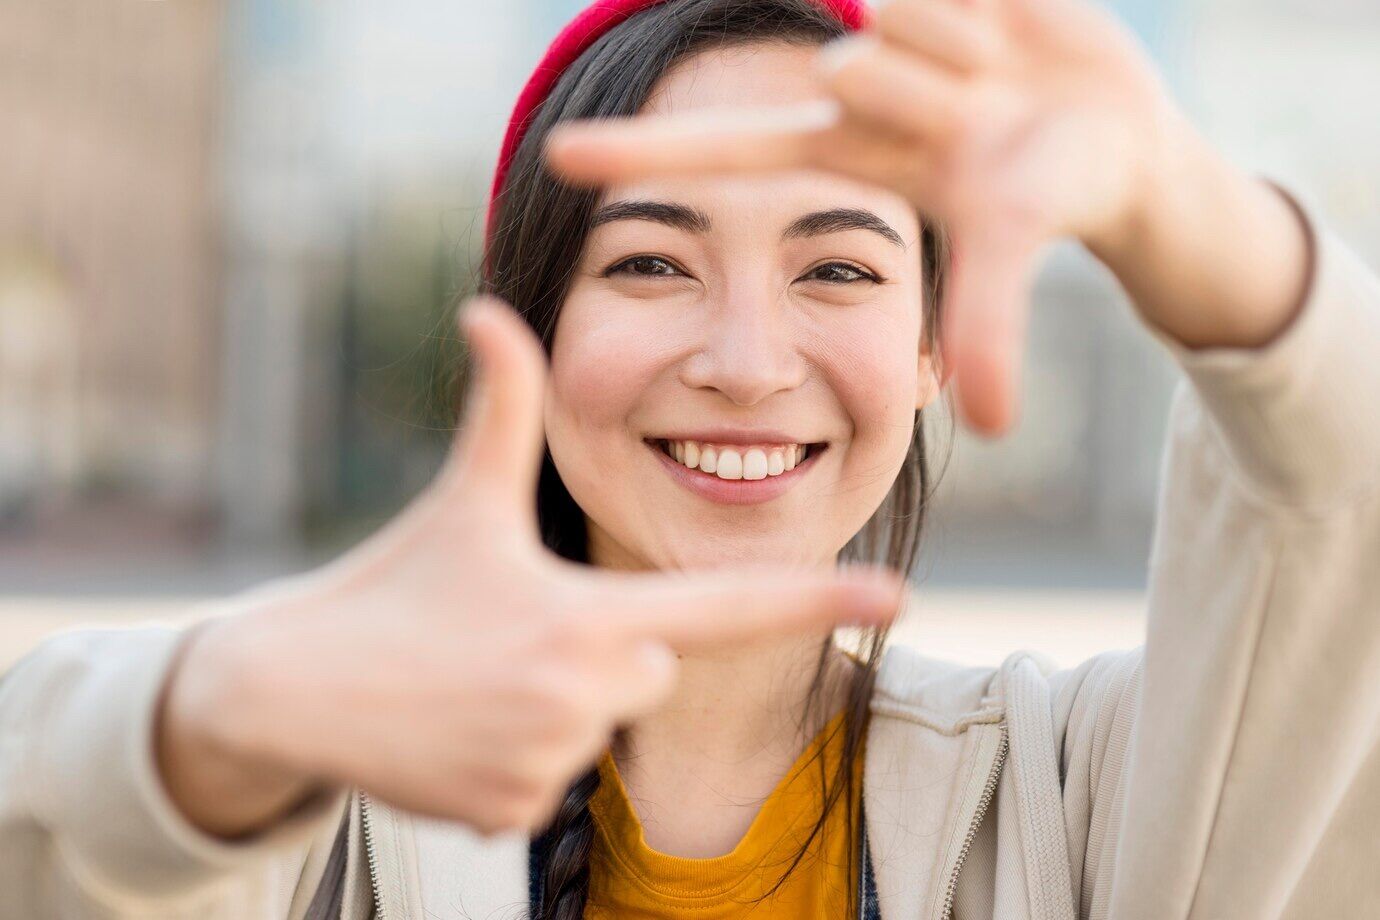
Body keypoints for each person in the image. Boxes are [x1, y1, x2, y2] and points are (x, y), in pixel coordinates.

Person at [2, 0, 1377, 918]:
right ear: (524, 327)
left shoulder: (1087, 799)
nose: (746, 359)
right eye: (652, 260)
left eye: (836, 266)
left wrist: (1180, 208)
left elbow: (1338, 521)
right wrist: (236, 706)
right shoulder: (319, 802)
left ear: (929, 349)